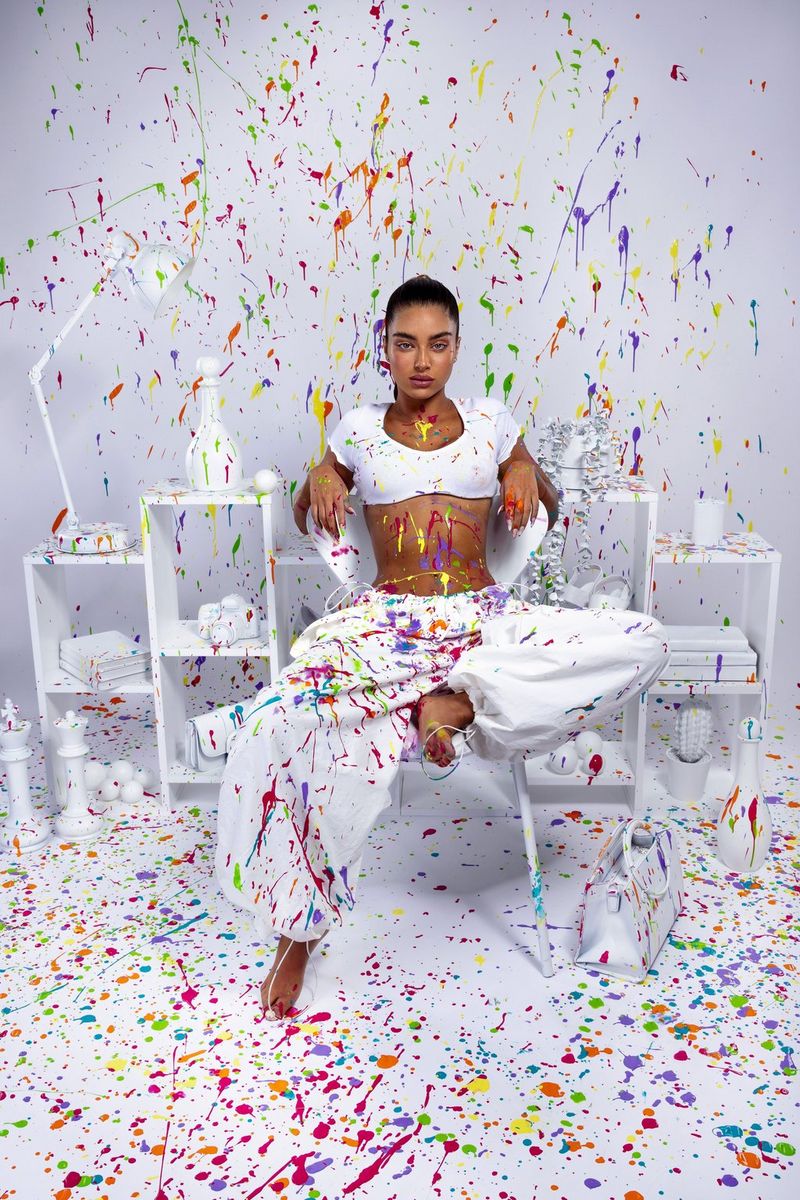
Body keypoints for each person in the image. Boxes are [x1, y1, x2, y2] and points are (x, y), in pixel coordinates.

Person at [215, 275, 668, 1021]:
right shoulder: (356, 429)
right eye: (405, 344)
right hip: (388, 621)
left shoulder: (492, 421)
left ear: (457, 348)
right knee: (280, 725)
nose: (422, 360)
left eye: (438, 344)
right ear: (383, 350)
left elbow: (546, 504)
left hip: (481, 620)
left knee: (643, 641)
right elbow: (306, 510)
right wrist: (320, 478)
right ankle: (296, 932)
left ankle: (454, 702)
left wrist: (524, 470)